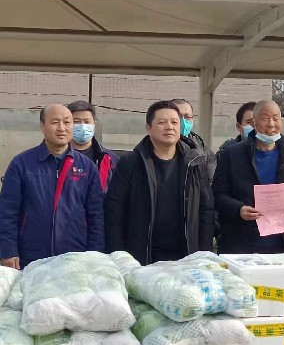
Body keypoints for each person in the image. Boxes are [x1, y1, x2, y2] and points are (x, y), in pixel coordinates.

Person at [104, 100, 214, 265]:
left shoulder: (195, 162)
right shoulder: (131, 163)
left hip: (185, 254)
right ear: (149, 128)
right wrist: (118, 255)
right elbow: (115, 210)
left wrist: (204, 253)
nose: (169, 127)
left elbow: (206, 209)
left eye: (174, 122)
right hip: (142, 254)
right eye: (162, 122)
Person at [0, 104, 104, 269]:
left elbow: (96, 216)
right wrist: (8, 250)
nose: (62, 128)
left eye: (67, 122)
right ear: (42, 126)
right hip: (30, 256)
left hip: (75, 258)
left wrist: (95, 255)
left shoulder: (87, 167)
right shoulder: (22, 164)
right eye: (55, 122)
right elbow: (7, 212)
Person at [212, 99, 284, 254]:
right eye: (265, 118)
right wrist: (239, 209)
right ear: (254, 123)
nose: (271, 124)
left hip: (283, 243)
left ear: (281, 122)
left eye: (276, 118)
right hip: (241, 242)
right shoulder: (231, 155)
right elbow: (217, 195)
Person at [66, 100, 118, 193]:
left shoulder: (110, 159)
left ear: (94, 124)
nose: (82, 126)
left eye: (87, 122)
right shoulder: (58, 156)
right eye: (76, 122)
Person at [171, 98, 217, 181]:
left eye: (187, 117)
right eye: (178, 117)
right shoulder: (155, 148)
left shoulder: (204, 152)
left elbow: (210, 181)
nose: (183, 121)